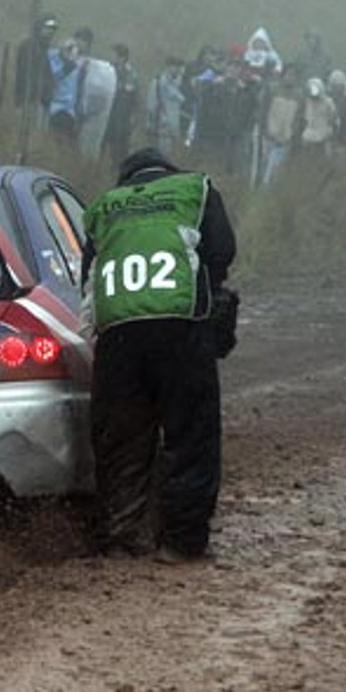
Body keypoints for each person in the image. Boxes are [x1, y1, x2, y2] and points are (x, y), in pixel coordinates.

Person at [84, 147, 238, 563]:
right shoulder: (196, 189)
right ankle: (181, 543)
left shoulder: (103, 207)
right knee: (190, 435)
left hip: (117, 335)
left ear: (126, 179)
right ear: (167, 170)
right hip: (180, 328)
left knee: (122, 440)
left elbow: (89, 276)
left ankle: (121, 536)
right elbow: (222, 252)